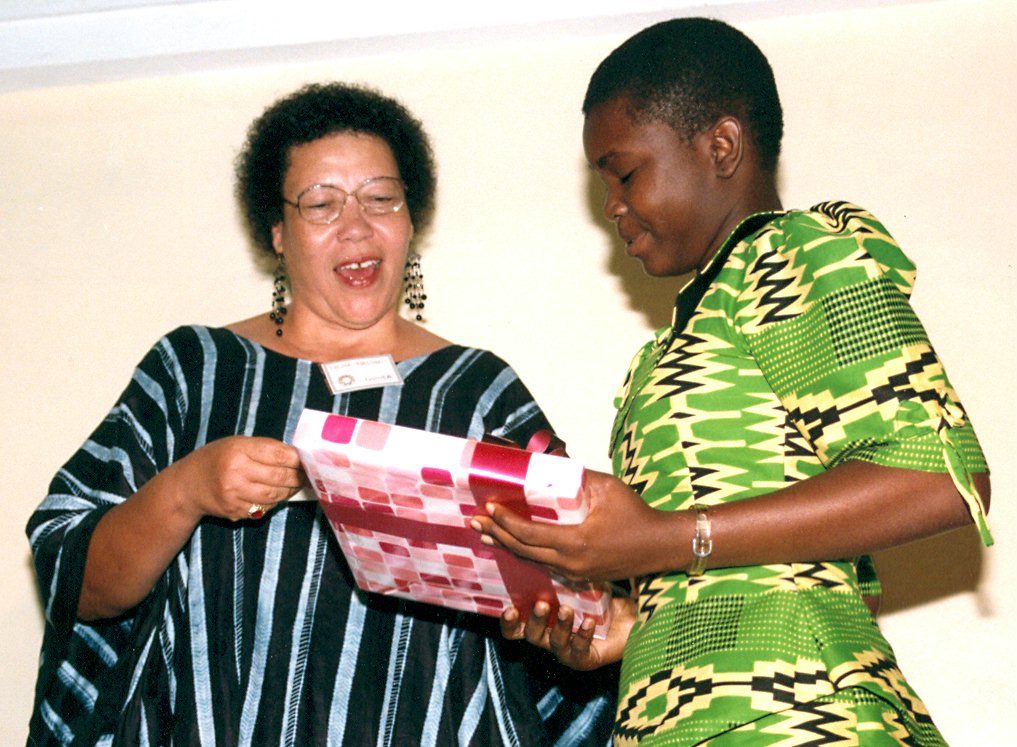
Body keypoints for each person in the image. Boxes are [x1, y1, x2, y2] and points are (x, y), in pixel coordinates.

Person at [25, 82, 616, 746]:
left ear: (409, 218)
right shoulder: (196, 371)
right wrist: (188, 488)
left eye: (380, 198)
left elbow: (580, 591)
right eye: (321, 204)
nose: (356, 227)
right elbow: (76, 578)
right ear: (277, 231)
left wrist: (557, 598)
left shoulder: (476, 392)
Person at [472, 17, 992, 746]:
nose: (613, 206)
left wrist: (658, 539)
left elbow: (936, 476)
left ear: (720, 145)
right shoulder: (682, 337)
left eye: (623, 173)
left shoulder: (793, 254)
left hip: (798, 720)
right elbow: (727, 552)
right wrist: (635, 623)